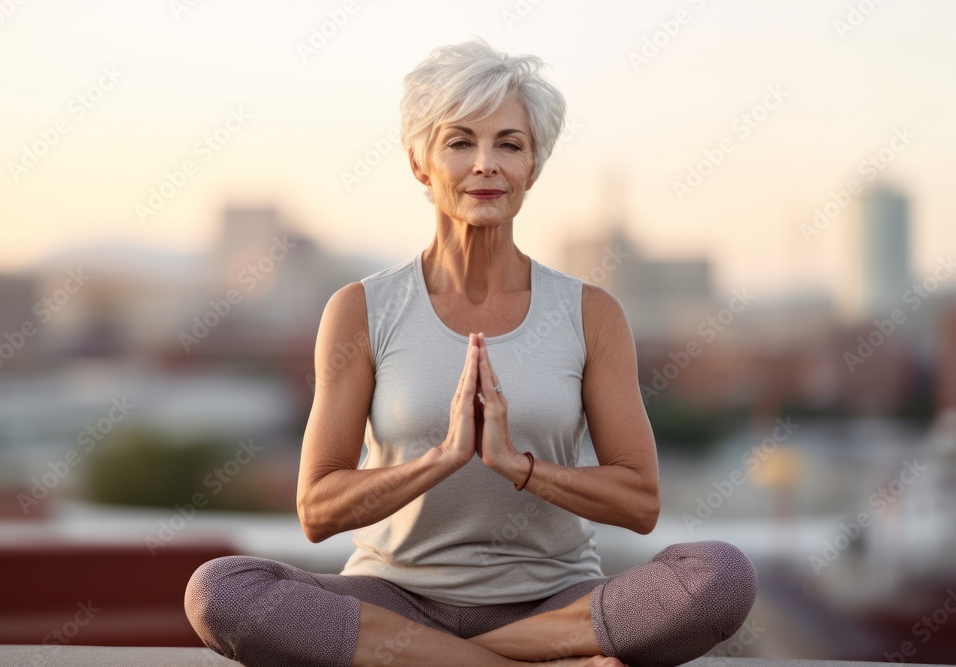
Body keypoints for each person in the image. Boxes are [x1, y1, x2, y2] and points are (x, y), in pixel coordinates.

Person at [184, 38, 757, 667]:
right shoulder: (360, 309)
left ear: (532, 166)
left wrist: (521, 467)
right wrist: (442, 459)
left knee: (720, 576)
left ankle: (435, 659)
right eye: (460, 142)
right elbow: (317, 510)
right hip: (393, 598)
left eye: (509, 144)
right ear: (419, 163)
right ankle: (521, 661)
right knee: (220, 590)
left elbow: (641, 502)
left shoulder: (591, 313)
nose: (486, 164)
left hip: (554, 600)